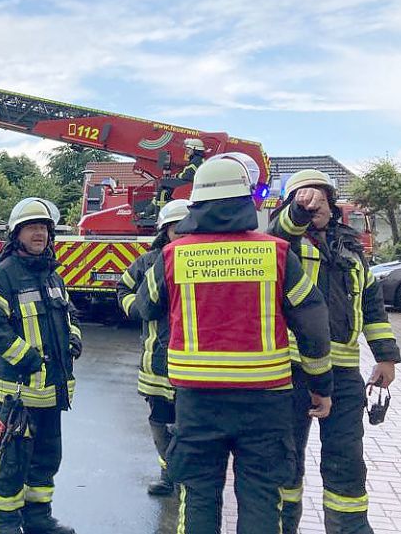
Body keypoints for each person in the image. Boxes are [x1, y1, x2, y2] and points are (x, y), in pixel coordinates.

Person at [132, 153, 334, 533]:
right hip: (265, 402)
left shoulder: (175, 255)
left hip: (197, 403)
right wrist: (321, 385)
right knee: (260, 494)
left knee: (199, 495)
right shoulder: (275, 252)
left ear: (197, 206)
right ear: (248, 202)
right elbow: (313, 320)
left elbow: (144, 304)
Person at [270, 169, 401, 533]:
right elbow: (278, 231)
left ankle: (350, 527)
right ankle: (283, 525)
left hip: (343, 375)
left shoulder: (352, 249)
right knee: (286, 458)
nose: (317, 205)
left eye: (323, 198)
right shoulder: (284, 245)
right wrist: (297, 212)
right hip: (292, 370)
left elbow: (372, 306)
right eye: (307, 199)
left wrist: (386, 357)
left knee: (346, 460)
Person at [0, 197, 82, 534]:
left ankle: (38, 520)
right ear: (17, 234)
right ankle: (4, 525)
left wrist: (74, 337)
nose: (40, 233)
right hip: (16, 397)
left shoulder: (53, 275)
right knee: (11, 465)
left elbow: (69, 315)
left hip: (52, 394)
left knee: (46, 462)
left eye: (44, 228)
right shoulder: (2, 276)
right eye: (32, 227)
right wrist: (27, 358)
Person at [116, 198, 191, 497]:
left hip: (195, 363)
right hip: (157, 361)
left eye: (187, 229)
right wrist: (137, 309)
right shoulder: (148, 263)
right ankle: (167, 474)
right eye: (176, 230)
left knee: (188, 426)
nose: (182, 235)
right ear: (165, 232)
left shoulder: (201, 260)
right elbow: (123, 288)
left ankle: (186, 475)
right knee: (160, 422)